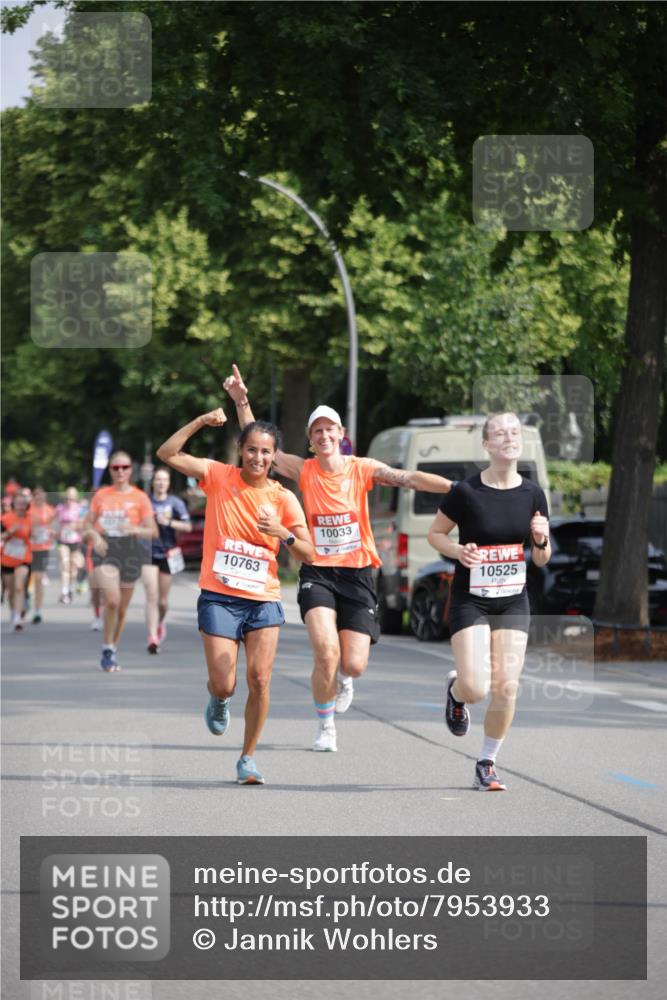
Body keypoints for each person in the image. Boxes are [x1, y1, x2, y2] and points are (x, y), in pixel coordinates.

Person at [224, 364, 454, 753]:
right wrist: (241, 401)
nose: (325, 435)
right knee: (325, 650)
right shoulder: (304, 469)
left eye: (331, 428)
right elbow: (260, 443)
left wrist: (461, 490)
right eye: (318, 431)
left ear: (342, 436)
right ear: (312, 441)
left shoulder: (361, 469)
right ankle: (325, 725)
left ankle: (346, 678)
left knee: (354, 663)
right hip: (317, 572)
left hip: (359, 573)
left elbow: (409, 478)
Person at [157, 408, 315, 785]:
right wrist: (198, 422)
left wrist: (283, 532)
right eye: (251, 450)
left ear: (274, 456)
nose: (258, 458)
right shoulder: (217, 476)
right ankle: (220, 698)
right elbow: (167, 454)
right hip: (220, 596)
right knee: (225, 682)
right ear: (240, 450)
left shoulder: (283, 499)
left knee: (260, 679)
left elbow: (309, 552)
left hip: (263, 599)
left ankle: (247, 758)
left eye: (266, 452)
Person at [426, 411, 551, 792]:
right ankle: (456, 692)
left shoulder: (532, 493)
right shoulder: (465, 492)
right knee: (477, 687)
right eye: (499, 433)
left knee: (507, 687)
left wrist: (541, 540)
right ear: (486, 444)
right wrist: (457, 550)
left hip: (514, 599)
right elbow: (435, 534)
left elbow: (542, 559)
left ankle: (487, 762)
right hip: (472, 600)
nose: (508, 437)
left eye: (514, 432)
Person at [81, 452, 157, 672]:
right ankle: (106, 648)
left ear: (131, 469)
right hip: (105, 548)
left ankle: (112, 648)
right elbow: (85, 527)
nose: (120, 471)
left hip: (130, 550)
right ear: (110, 470)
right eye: (116, 467)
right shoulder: (101, 496)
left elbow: (153, 531)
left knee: (122, 609)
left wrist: (134, 528)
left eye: (124, 467)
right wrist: (94, 536)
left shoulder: (140, 497)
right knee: (112, 600)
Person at [143, 467, 192, 653]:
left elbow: (187, 526)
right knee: (152, 596)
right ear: (153, 482)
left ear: (168, 483)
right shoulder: (146, 501)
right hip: (147, 552)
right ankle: (152, 637)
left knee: (162, 602)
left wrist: (168, 522)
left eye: (164, 480)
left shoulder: (175, 503)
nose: (161, 483)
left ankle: (160, 622)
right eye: (158, 479)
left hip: (168, 553)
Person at [1, 490, 32, 631]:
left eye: (23, 504)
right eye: (18, 503)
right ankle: (14, 612)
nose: (21, 506)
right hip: (7, 558)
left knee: (19, 586)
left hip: (24, 557)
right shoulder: (6, 518)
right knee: (10, 590)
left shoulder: (30, 520)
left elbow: (35, 536)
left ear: (27, 505)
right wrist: (9, 532)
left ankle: (18, 617)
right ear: (14, 504)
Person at [29, 485, 56, 624]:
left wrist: (51, 532)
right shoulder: (28, 509)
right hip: (28, 547)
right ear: (33, 496)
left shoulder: (50, 510)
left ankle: (37, 610)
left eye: (42, 495)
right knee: (25, 578)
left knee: (39, 578)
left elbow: (52, 527)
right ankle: (25, 598)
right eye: (37, 495)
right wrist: (30, 532)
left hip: (43, 547)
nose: (39, 497)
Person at [55, 487, 86, 605]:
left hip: (76, 540)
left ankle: (70, 589)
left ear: (76, 499)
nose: (69, 501)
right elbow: (52, 523)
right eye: (67, 498)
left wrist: (75, 527)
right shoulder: (59, 508)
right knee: (64, 563)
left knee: (73, 569)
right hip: (62, 541)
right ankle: (64, 592)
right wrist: (55, 532)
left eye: (72, 499)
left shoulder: (80, 509)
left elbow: (84, 526)